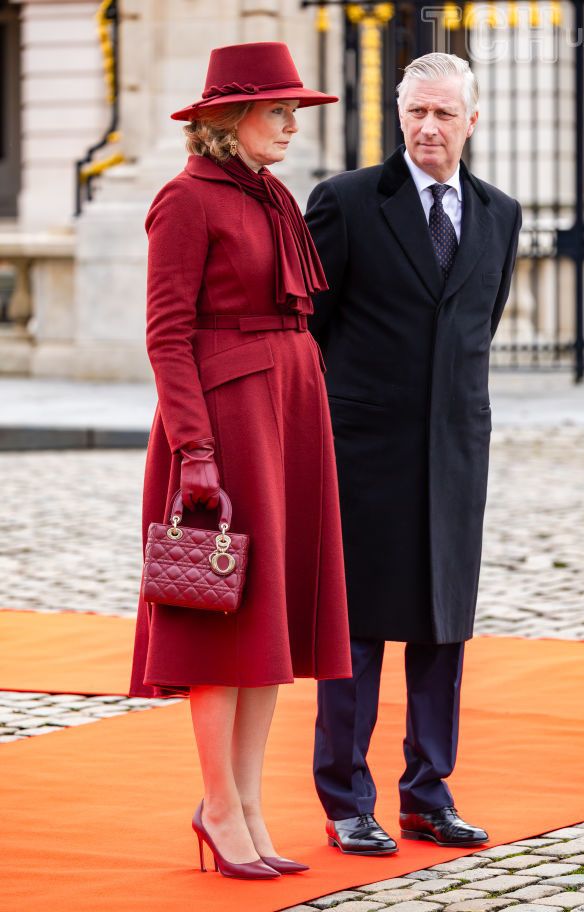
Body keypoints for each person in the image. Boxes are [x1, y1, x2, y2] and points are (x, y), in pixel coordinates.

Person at [129, 41, 352, 880]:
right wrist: (194, 451)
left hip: (289, 416)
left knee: (271, 622)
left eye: (295, 108)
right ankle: (218, 803)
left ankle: (248, 803)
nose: (293, 121)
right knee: (221, 617)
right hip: (226, 426)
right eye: (278, 108)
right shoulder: (184, 200)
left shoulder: (271, 195)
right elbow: (165, 335)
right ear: (229, 118)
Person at [306, 52, 522, 856]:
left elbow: (479, 322)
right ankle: (345, 799)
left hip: (457, 452)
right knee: (356, 636)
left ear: (472, 119)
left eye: (443, 114)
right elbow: (311, 330)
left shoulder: (501, 213)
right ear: (398, 117)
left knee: (442, 630)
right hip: (362, 453)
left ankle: (427, 794)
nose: (428, 128)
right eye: (416, 113)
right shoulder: (349, 202)